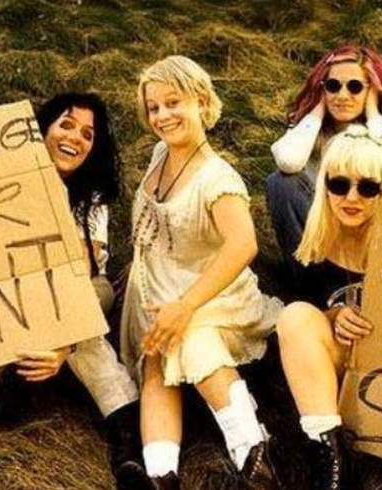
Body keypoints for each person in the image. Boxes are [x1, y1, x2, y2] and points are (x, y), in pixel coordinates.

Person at [0, 95, 148, 490]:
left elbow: (82, 270)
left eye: (88, 134)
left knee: (81, 323)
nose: (75, 138)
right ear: (44, 128)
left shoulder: (91, 197)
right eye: (66, 125)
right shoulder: (2, 175)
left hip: (79, 290)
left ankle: (128, 447)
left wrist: (63, 343)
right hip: (7, 287)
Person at [119, 55, 283, 490]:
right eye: (154, 107)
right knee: (156, 362)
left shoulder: (217, 179)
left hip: (212, 296)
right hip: (158, 292)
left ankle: (254, 455)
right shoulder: (161, 153)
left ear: (202, 101)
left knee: (191, 340)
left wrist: (186, 306)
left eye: (173, 102)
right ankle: (161, 475)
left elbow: (243, 244)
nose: (162, 116)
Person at [274, 125, 382, 490]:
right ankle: (331, 460)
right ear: (325, 186)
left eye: (368, 187)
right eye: (339, 184)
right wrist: (335, 315)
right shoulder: (316, 245)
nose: (352, 197)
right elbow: (312, 317)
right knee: (294, 316)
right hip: (344, 371)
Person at [266, 44, 382, 307]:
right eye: (333, 86)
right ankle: (313, 289)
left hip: (367, 233)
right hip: (323, 230)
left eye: (355, 87)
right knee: (281, 184)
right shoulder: (309, 125)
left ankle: (375, 287)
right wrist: (317, 110)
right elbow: (289, 161)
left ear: (372, 89)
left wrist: (373, 112)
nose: (343, 95)